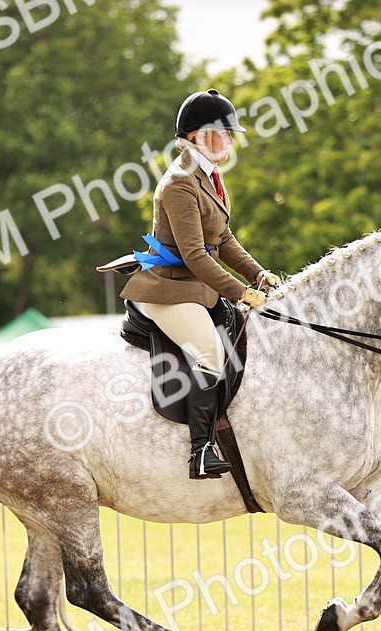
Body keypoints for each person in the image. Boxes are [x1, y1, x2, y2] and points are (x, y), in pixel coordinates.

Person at [119, 88, 281, 479]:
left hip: (197, 287)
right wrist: (241, 292)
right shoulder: (179, 184)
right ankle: (201, 451)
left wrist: (258, 274)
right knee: (210, 352)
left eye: (229, 133)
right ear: (196, 136)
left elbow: (222, 240)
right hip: (169, 289)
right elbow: (194, 254)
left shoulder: (210, 177)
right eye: (221, 133)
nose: (229, 139)